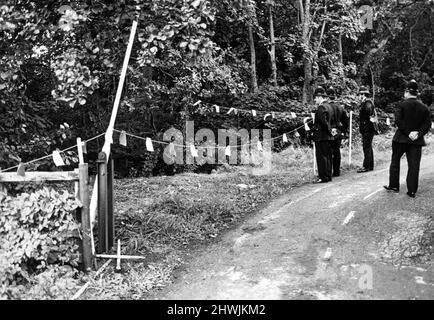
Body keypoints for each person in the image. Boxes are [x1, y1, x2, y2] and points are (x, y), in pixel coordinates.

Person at [384, 80, 431, 198]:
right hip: (416, 141)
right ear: (417, 93)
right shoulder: (424, 107)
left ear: (406, 92)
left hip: (400, 139)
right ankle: (412, 190)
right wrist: (418, 134)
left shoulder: (402, 105)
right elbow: (427, 124)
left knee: (395, 162)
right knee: (414, 165)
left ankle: (394, 186)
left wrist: (407, 132)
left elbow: (398, 121)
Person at [311, 86, 334, 183]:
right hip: (327, 136)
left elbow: (323, 122)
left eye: (316, 97)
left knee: (321, 157)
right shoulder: (329, 106)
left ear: (320, 97)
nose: (315, 100)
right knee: (328, 156)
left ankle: (323, 177)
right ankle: (328, 175)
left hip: (321, 136)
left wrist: (328, 130)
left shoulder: (321, 107)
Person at [327, 87, 349, 177]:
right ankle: (336, 171)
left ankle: (329, 171)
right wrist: (343, 130)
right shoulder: (340, 107)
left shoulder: (326, 107)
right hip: (338, 130)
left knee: (328, 151)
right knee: (337, 151)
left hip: (329, 131)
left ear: (327, 97)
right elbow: (346, 121)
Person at [357, 86, 378, 173]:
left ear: (364, 94)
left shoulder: (367, 103)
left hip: (368, 128)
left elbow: (369, 111)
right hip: (368, 128)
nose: (359, 96)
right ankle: (370, 165)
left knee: (366, 147)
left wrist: (368, 116)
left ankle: (366, 166)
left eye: (361, 94)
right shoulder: (366, 103)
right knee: (368, 147)